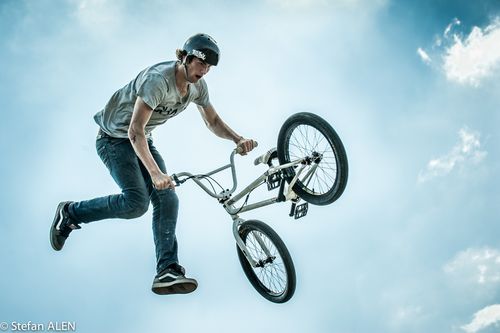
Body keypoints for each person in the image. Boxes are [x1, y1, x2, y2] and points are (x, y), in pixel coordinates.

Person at [50, 33, 256, 295]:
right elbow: (134, 130)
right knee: (136, 203)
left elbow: (212, 121)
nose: (203, 72)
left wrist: (238, 139)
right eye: (200, 64)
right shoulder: (158, 80)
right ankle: (70, 213)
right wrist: (156, 173)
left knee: (168, 199)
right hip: (114, 139)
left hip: (142, 140)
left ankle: (167, 270)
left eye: (208, 68)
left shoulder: (197, 87)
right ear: (186, 58)